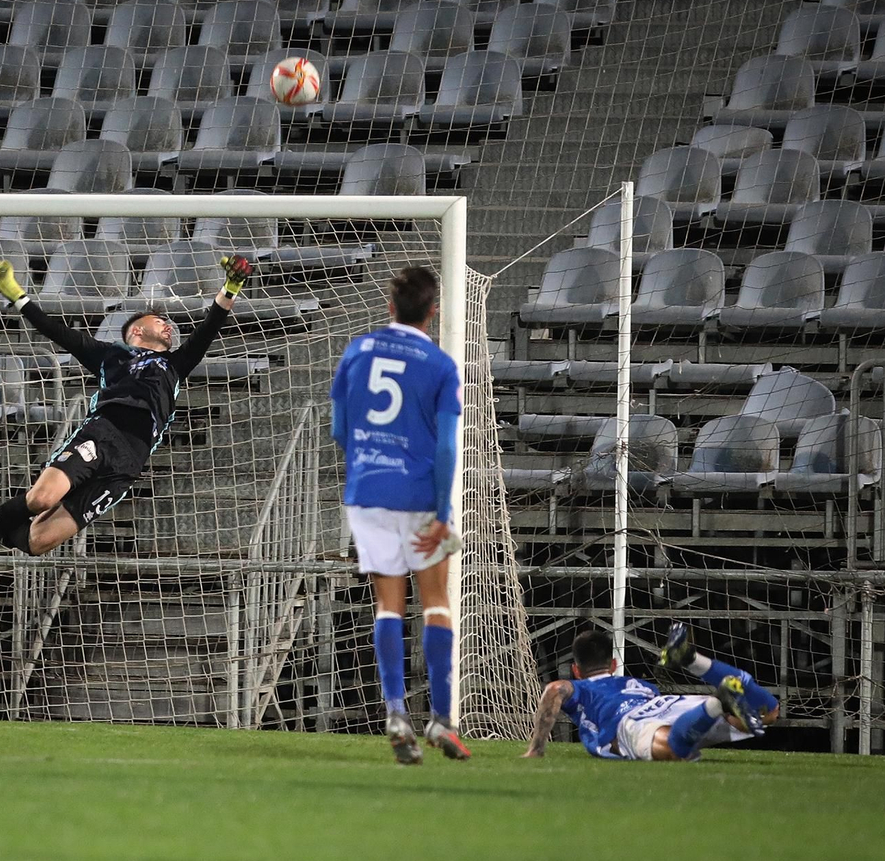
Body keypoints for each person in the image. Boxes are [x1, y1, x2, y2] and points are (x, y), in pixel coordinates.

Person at [0, 254, 254, 587]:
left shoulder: (175, 364)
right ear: (137, 330)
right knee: (41, 499)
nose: (169, 326)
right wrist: (15, 293)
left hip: (128, 464)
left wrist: (231, 287)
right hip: (101, 433)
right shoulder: (112, 357)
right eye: (160, 321)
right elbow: (58, 332)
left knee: (38, 541)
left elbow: (209, 328)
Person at [329, 266, 468, 764]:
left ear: (390, 307)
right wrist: (444, 513)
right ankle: (441, 719)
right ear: (433, 311)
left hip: (367, 492)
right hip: (420, 496)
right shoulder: (441, 365)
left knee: (389, 605)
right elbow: (449, 446)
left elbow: (339, 428)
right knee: (435, 602)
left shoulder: (357, 350)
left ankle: (394, 711)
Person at [522, 625, 781, 761]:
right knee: (768, 713)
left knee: (673, 750)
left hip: (627, 721)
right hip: (666, 703)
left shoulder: (580, 688)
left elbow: (555, 689)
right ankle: (693, 661)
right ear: (613, 665)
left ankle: (717, 703)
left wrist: (536, 748)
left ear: (576, 670)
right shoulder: (641, 685)